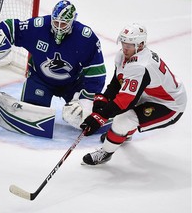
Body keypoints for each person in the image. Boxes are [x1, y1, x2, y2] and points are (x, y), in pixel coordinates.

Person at [80, 23, 187, 165]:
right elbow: (118, 82)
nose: (125, 47)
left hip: (170, 104)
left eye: (129, 45)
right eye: (123, 42)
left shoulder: (140, 66)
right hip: (150, 94)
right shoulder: (124, 55)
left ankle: (106, 152)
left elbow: (124, 102)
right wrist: (104, 98)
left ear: (141, 44)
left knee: (122, 120)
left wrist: (99, 117)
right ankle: (123, 134)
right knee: (121, 117)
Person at [0, 0, 106, 109]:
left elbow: (96, 72)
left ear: (72, 21)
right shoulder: (39, 27)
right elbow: (13, 28)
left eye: (63, 24)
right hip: (40, 80)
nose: (58, 27)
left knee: (81, 117)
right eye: (56, 22)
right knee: (32, 112)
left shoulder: (85, 37)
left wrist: (87, 99)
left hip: (73, 84)